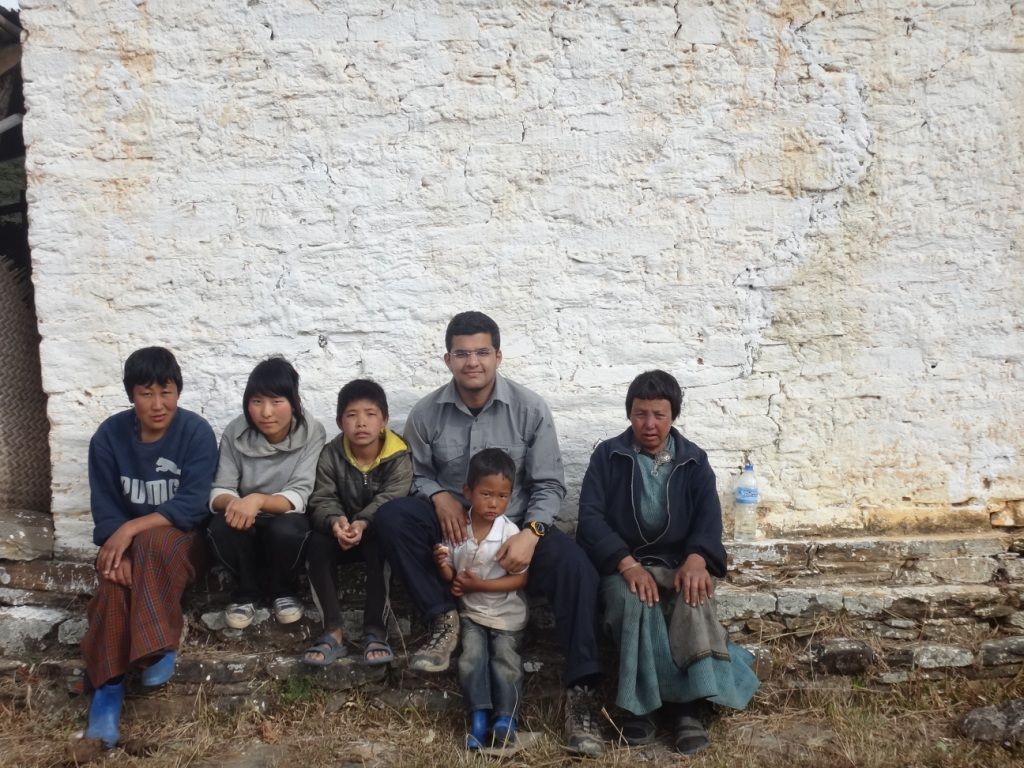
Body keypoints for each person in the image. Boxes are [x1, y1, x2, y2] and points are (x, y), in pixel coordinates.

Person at [374, 311, 605, 757]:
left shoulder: (529, 408)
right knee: (394, 518)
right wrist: (438, 495)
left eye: (482, 352)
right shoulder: (427, 413)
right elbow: (414, 474)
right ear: (448, 359)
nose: (472, 362)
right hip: (456, 525)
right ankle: (444, 621)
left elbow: (550, 484)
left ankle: (581, 697)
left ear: (498, 355)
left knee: (577, 569)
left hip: (517, 526)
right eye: (462, 354)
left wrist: (532, 533)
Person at [577, 370, 760, 755]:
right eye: (641, 414)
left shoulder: (693, 460)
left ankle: (686, 710)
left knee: (692, 596)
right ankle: (639, 711)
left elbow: (709, 519)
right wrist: (627, 565)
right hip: (625, 564)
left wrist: (697, 559)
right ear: (629, 414)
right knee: (634, 601)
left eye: (659, 415)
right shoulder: (608, 456)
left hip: (679, 561)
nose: (649, 424)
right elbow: (590, 518)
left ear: (672, 415)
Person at [81, 347, 218, 749]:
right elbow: (105, 507)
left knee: (154, 540)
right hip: (125, 545)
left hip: (184, 543)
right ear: (130, 395)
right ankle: (107, 694)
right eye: (146, 393)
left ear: (178, 391)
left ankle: (158, 646)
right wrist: (119, 545)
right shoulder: (109, 436)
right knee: (110, 585)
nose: (158, 404)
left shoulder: (195, 431)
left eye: (167, 391)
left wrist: (132, 531)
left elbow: (193, 504)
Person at [207, 357, 326, 628]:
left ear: (294, 402)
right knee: (220, 527)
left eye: (277, 401)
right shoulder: (236, 432)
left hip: (285, 516)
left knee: (289, 530)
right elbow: (220, 490)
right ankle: (246, 593)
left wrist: (258, 500)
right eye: (257, 402)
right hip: (245, 517)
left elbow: (300, 493)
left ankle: (283, 591)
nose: (266, 412)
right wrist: (237, 504)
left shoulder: (311, 432)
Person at [302, 379, 412, 666]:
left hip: (374, 532)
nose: (361, 423)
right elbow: (321, 497)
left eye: (370, 414)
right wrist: (336, 521)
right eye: (352, 415)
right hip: (340, 533)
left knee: (382, 543)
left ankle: (375, 630)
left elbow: (392, 497)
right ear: (340, 422)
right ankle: (332, 631)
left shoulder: (399, 455)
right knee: (316, 543)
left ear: (384, 420)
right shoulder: (331, 454)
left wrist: (363, 523)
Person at [432, 448, 528, 750]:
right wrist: (444, 567)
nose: (494, 504)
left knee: (505, 660)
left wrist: (480, 585)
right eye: (486, 494)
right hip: (472, 614)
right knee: (472, 659)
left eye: (502, 496)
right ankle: (478, 717)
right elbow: (454, 580)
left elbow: (521, 578)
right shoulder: (459, 530)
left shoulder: (510, 532)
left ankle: (506, 719)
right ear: (467, 491)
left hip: (506, 614)